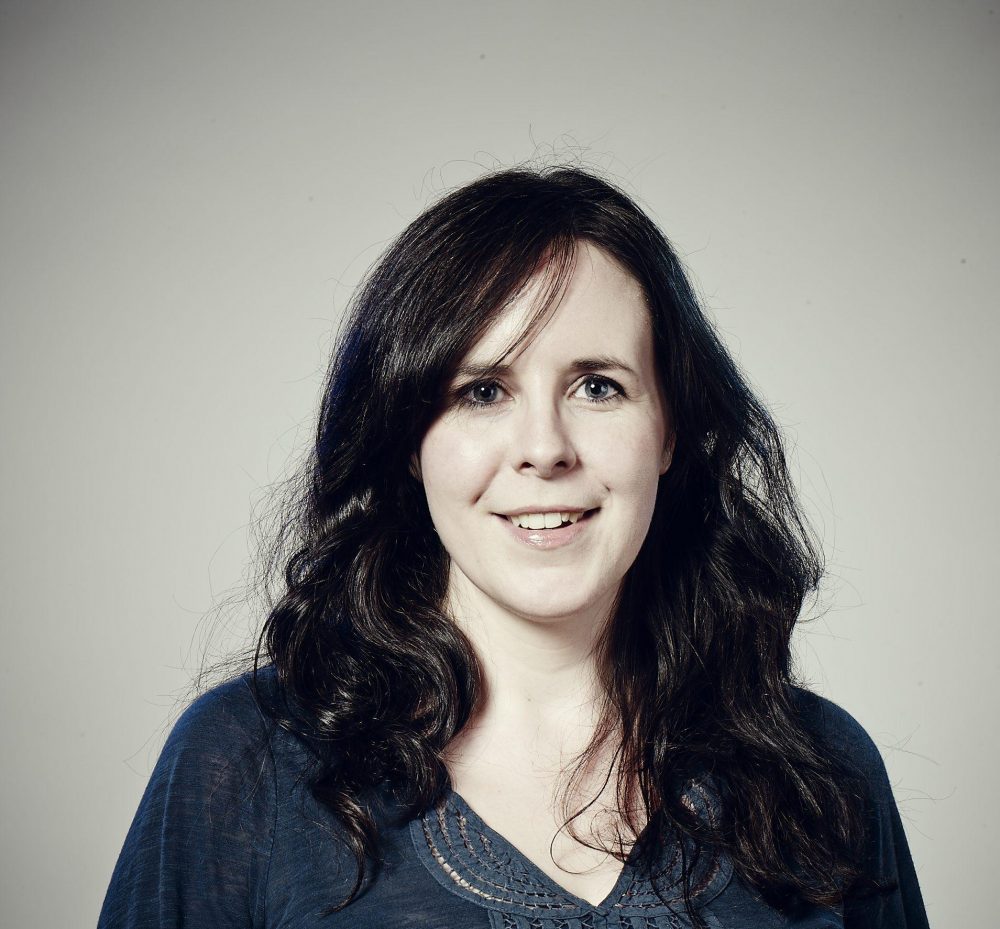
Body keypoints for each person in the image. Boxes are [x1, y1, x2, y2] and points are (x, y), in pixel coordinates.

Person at [98, 166, 930, 928]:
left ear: (670, 428)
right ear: (409, 439)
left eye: (598, 385)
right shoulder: (246, 763)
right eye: (483, 391)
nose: (544, 447)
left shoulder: (822, 769)